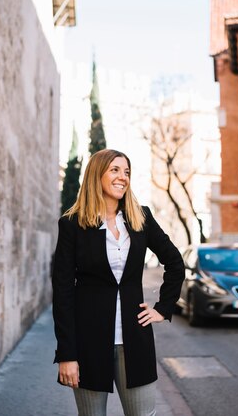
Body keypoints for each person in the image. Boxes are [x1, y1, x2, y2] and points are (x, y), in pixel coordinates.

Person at [52, 149, 185, 416]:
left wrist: (162, 308)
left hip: (135, 340)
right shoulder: (72, 224)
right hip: (87, 342)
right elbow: (63, 292)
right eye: (115, 170)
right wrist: (67, 354)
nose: (122, 177)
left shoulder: (141, 218)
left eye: (126, 172)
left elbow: (175, 263)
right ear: (96, 175)